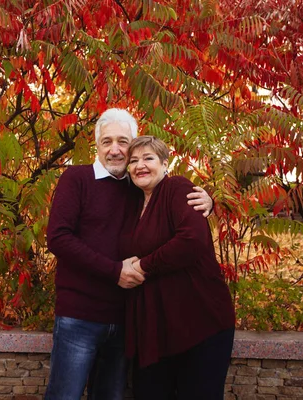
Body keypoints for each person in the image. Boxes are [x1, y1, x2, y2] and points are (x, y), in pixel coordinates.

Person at [45, 109, 214, 400]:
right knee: (65, 396)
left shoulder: (138, 187)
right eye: (106, 141)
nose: (114, 150)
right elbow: (58, 238)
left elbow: (174, 211)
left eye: (123, 142)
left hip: (126, 319)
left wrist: (211, 202)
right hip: (79, 316)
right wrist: (115, 271)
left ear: (133, 145)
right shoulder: (77, 178)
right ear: (96, 146)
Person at [119, 135, 236, 400]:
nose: (140, 166)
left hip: (199, 323)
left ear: (164, 164)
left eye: (148, 158)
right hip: (153, 330)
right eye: (133, 160)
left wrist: (142, 266)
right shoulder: (133, 202)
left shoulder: (178, 188)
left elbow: (191, 241)